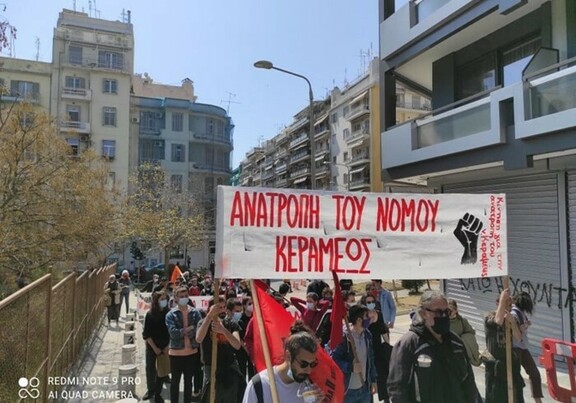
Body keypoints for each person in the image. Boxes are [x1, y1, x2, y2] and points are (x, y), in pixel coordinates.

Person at [388, 290, 479, 402]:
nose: (444, 316)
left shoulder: (456, 343)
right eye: (438, 312)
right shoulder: (409, 344)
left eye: (446, 312)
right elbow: (397, 389)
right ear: (423, 313)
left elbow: (469, 381)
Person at [242, 322, 323, 403]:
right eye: (303, 364)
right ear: (288, 356)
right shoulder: (259, 385)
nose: (308, 370)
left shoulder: (309, 388)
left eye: (312, 364)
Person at [196, 297, 244, 403]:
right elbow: (198, 338)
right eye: (219, 308)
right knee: (210, 398)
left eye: (223, 307)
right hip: (211, 367)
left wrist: (224, 331)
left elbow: (237, 345)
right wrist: (209, 316)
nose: (222, 310)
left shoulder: (230, 323)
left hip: (229, 367)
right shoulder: (203, 322)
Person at [484, 288, 525, 402]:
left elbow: (518, 337)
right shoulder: (489, 315)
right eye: (506, 305)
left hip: (509, 361)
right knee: (495, 395)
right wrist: (503, 299)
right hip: (494, 363)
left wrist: (512, 322)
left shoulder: (512, 319)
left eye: (510, 305)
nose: (508, 308)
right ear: (498, 303)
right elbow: (498, 321)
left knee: (514, 394)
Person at [331, 304, 377, 403]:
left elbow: (371, 359)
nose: (369, 319)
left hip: (364, 389)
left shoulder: (367, 335)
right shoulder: (344, 338)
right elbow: (334, 360)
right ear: (359, 320)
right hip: (348, 391)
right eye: (366, 316)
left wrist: (373, 380)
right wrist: (350, 367)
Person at [165, 286, 203, 403]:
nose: (184, 298)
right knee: (175, 382)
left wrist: (185, 331)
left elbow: (199, 330)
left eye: (186, 296)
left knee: (188, 382)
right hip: (175, 353)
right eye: (181, 296)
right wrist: (189, 329)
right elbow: (173, 333)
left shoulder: (195, 312)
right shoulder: (171, 314)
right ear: (176, 298)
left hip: (192, 353)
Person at [511, 292, 543, 402]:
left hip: (522, 347)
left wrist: (526, 324)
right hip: (515, 347)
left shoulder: (520, 312)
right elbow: (516, 330)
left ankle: (538, 400)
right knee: (516, 376)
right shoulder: (514, 313)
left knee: (534, 373)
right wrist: (525, 325)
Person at [361, 294, 391, 403]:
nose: (370, 304)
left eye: (372, 302)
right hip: (366, 349)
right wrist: (369, 321)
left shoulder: (379, 314)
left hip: (378, 349)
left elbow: (383, 330)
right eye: (368, 302)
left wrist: (387, 344)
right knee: (369, 377)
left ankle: (386, 398)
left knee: (383, 375)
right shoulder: (363, 316)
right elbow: (361, 329)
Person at [143, 291, 171, 402]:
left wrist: (167, 346)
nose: (164, 301)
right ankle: (150, 391)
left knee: (162, 370)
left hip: (165, 347)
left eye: (165, 299)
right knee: (150, 369)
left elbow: (171, 332)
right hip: (152, 347)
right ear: (156, 301)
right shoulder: (150, 314)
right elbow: (146, 334)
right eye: (161, 299)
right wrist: (155, 348)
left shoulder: (169, 314)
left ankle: (157, 392)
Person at [447, 298, 481, 366]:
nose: (448, 313)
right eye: (446, 310)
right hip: (450, 354)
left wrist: (462, 339)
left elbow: (471, 333)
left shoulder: (462, 321)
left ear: (455, 310)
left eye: (450, 310)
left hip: (463, 353)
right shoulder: (443, 322)